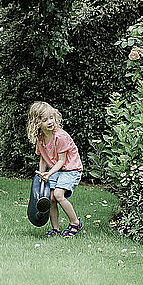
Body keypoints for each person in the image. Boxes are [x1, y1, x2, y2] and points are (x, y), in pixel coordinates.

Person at [27, 101, 84, 238]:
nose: (50, 122)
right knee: (50, 197)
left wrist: (49, 173)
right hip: (58, 170)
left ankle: (75, 223)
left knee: (58, 195)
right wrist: (41, 175)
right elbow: (42, 158)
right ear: (37, 123)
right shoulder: (40, 139)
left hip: (71, 169)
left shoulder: (60, 136)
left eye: (51, 118)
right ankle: (55, 229)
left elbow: (61, 161)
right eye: (45, 120)